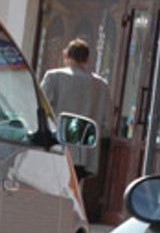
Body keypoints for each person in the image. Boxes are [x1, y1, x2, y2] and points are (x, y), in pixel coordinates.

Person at [41, 37, 112, 214]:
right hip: (84, 151)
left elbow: (41, 108)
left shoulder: (54, 77)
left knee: (52, 189)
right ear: (87, 59)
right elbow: (106, 122)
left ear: (66, 55)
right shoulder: (100, 85)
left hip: (56, 145)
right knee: (74, 190)